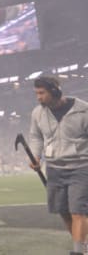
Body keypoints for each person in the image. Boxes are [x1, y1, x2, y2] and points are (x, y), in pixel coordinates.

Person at [28, 76, 88, 255]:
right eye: (36, 93)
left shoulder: (83, 110)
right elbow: (36, 136)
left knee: (78, 211)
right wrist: (36, 156)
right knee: (63, 211)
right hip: (54, 169)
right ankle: (84, 245)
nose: (38, 97)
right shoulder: (37, 113)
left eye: (42, 93)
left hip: (81, 167)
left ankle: (78, 251)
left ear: (55, 91)